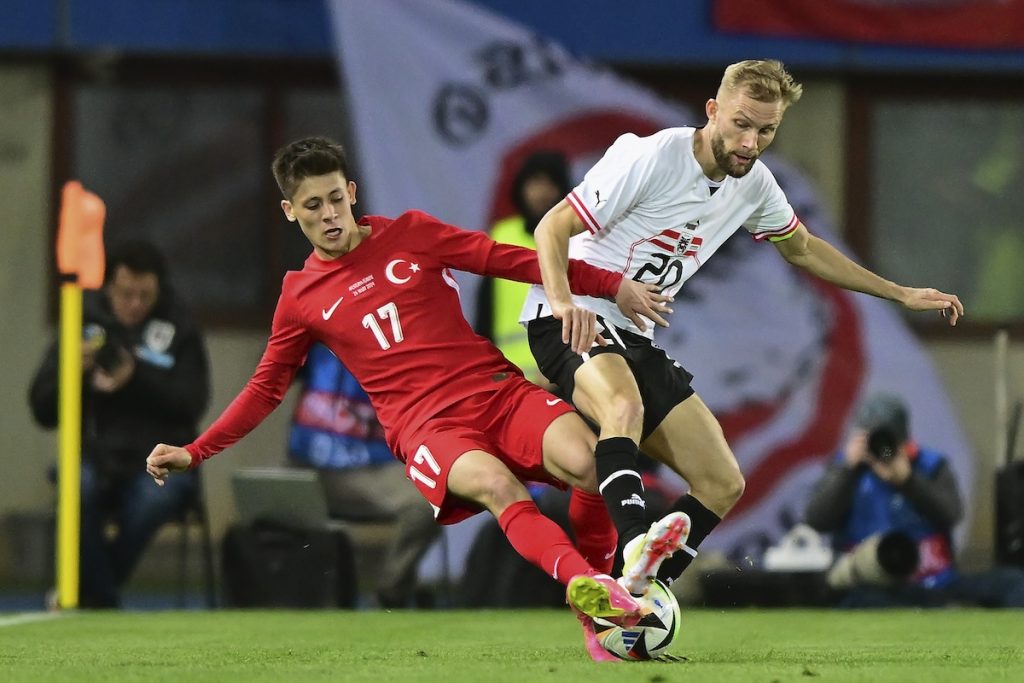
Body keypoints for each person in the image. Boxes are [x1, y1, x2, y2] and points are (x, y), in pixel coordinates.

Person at [143, 136, 685, 661]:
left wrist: (610, 285)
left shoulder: (412, 234)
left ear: (352, 191)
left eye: (336, 198)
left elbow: (509, 259)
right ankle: (583, 583)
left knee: (591, 464)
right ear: (291, 212)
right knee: (498, 486)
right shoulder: (299, 298)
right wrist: (197, 451)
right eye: (313, 205)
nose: (330, 214)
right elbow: (266, 388)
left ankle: (600, 604)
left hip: (493, 390)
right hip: (427, 429)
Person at [521, 59, 965, 591]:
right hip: (569, 318)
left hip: (633, 335)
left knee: (722, 482)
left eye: (766, 130)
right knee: (625, 407)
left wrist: (899, 293)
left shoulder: (752, 184)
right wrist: (564, 300)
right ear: (713, 111)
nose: (751, 142)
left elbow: (802, 248)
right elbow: (553, 227)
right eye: (741, 123)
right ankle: (637, 538)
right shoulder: (651, 155)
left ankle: (632, 596)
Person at [29, 241, 211, 608]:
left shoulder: (179, 328)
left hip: (158, 464)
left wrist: (136, 377)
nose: (135, 304)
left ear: (159, 289)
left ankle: (94, 593)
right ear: (109, 286)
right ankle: (103, 596)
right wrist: (72, 371)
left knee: (155, 498)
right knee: (75, 482)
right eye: (126, 293)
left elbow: (193, 403)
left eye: (145, 295)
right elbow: (41, 408)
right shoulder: (83, 322)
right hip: (96, 459)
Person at [804, 393, 1024, 608]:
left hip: (935, 581)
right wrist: (847, 472)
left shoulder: (930, 465)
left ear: (904, 439)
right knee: (865, 601)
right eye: (873, 439)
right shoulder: (845, 469)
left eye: (888, 440)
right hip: (872, 585)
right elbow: (816, 520)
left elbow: (951, 515)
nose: (882, 449)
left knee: (1013, 583)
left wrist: (908, 481)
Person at [288, 342, 441, 608]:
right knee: (259, 501)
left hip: (372, 467)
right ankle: (285, 601)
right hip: (306, 467)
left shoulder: (402, 336)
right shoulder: (311, 326)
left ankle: (389, 595)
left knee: (429, 501)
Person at [475, 150, 571, 385]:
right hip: (509, 378)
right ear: (521, 187)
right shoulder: (501, 235)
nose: (541, 192)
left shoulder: (574, 240)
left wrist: (563, 365)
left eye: (550, 183)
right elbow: (484, 310)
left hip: (563, 376)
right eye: (535, 182)